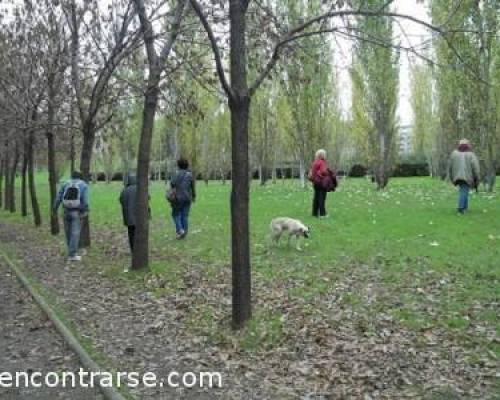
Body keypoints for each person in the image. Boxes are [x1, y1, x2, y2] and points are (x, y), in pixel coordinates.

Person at [53, 171, 89, 261]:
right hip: (76, 212)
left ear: (71, 176)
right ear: (80, 177)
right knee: (75, 233)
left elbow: (59, 197)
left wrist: (54, 209)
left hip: (65, 211)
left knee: (68, 232)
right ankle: (72, 254)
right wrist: (85, 210)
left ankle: (71, 251)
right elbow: (85, 200)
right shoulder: (83, 185)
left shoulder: (65, 183)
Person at [448, 138, 480, 214]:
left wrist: (451, 177)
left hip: (457, 176)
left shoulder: (454, 154)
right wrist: (477, 177)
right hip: (467, 176)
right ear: (468, 145)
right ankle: (461, 208)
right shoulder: (471, 154)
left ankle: (465, 208)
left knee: (464, 190)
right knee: (464, 191)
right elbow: (476, 167)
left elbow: (450, 167)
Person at [168, 158, 196, 239]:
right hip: (188, 198)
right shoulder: (190, 175)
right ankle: (184, 233)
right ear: (187, 165)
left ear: (178, 165)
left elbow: (172, 184)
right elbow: (193, 187)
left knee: (175, 214)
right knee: (185, 215)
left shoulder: (176, 174)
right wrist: (194, 196)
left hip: (178, 198)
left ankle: (180, 230)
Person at [309, 149, 337, 218]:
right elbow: (324, 171)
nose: (325, 155)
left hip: (315, 183)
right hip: (321, 183)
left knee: (316, 198)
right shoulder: (322, 162)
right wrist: (329, 173)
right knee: (322, 198)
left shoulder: (315, 162)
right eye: (325, 154)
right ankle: (322, 214)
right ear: (322, 155)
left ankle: (314, 213)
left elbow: (312, 173)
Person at [119, 174, 138, 252]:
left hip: (128, 216)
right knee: (138, 232)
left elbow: (121, 200)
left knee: (131, 233)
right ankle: (138, 249)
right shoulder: (139, 189)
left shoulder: (124, 190)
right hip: (139, 215)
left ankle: (133, 249)